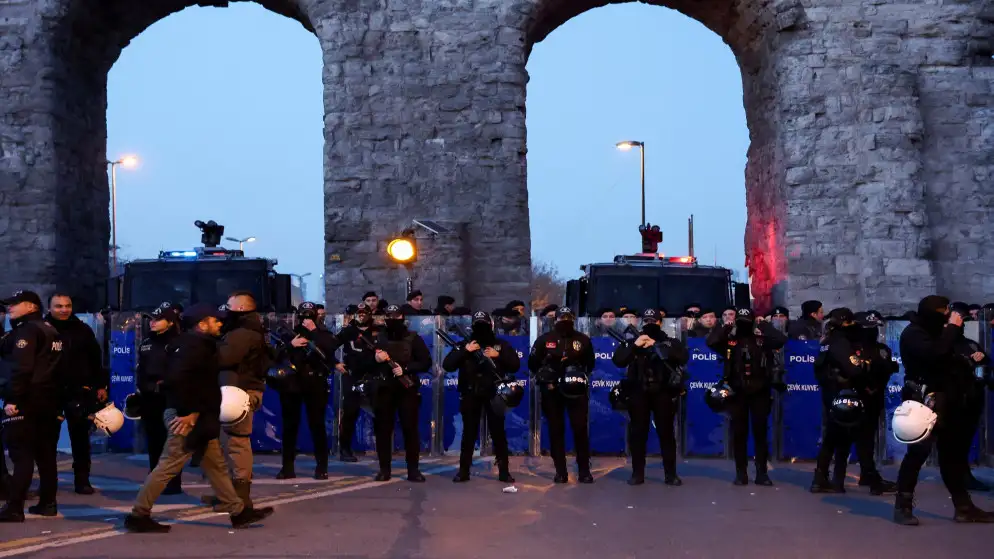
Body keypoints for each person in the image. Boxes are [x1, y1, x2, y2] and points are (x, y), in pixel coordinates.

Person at [123, 304, 274, 533]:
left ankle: (238, 511)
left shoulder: (198, 344)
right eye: (216, 320)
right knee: (167, 466)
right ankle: (138, 515)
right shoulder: (193, 346)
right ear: (203, 324)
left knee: (215, 466)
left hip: (199, 417)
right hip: (187, 418)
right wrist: (190, 413)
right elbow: (178, 381)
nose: (220, 323)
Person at [893, 296, 994, 525]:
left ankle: (963, 507)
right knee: (917, 454)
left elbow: (950, 357)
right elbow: (935, 354)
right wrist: (951, 330)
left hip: (948, 402)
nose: (948, 316)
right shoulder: (914, 333)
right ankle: (903, 506)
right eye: (944, 311)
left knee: (952, 456)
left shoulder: (940, 332)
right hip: (923, 401)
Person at [0, 291, 63, 522]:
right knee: (46, 455)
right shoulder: (50, 329)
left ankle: (14, 507)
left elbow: (22, 369)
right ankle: (48, 503)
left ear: (30, 306)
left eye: (14, 305)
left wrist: (13, 399)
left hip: (27, 400)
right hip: (49, 400)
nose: (10, 309)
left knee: (22, 454)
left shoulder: (26, 331)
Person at [707, 308, 787, 485]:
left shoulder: (761, 341)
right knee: (739, 433)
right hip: (737, 392)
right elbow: (711, 342)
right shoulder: (730, 342)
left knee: (760, 433)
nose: (744, 324)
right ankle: (740, 472)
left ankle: (761, 473)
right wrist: (726, 327)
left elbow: (781, 340)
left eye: (747, 321)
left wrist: (764, 325)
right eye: (740, 321)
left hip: (760, 391)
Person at [612, 308, 688, 485]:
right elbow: (618, 360)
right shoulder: (634, 340)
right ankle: (637, 473)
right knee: (638, 433)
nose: (649, 324)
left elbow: (683, 356)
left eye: (653, 321)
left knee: (666, 433)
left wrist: (656, 345)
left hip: (663, 391)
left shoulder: (669, 341)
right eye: (646, 321)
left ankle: (670, 473)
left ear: (660, 323)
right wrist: (635, 345)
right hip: (638, 391)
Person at [443, 311, 520, 483]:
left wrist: (497, 355)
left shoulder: (500, 344)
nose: (481, 329)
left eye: (484, 325)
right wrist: (465, 351)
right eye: (478, 325)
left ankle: (504, 471)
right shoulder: (466, 344)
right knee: (469, 433)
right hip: (470, 393)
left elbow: (515, 365)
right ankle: (464, 471)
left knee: (498, 433)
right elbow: (447, 365)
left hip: (494, 394)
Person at [213, 291, 271, 509]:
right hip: (236, 391)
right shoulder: (247, 330)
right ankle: (229, 494)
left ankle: (240, 496)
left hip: (238, 393)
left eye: (229, 305)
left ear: (239, 309)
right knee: (226, 444)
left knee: (236, 444)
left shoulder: (242, 333)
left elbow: (224, 358)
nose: (224, 309)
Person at [46, 293, 108, 495]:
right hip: (50, 391)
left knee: (80, 439)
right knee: (47, 441)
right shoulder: (41, 330)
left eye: (67, 305)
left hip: (80, 391)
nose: (64, 309)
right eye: (58, 306)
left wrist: (100, 386)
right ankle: (48, 483)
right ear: (50, 308)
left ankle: (82, 481)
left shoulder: (83, 330)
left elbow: (95, 359)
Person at [274, 302, 342, 480]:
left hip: (315, 382)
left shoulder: (323, 333)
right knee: (289, 426)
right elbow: (275, 353)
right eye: (303, 315)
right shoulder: (288, 332)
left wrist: (314, 332)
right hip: (292, 383)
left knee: (317, 425)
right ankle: (287, 467)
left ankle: (322, 467)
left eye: (309, 315)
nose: (306, 319)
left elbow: (330, 348)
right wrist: (291, 344)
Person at [528, 307, 596, 484]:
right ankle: (560, 471)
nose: (564, 320)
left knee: (580, 428)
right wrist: (546, 372)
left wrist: (578, 371)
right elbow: (532, 362)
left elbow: (590, 363)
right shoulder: (545, 339)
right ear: (555, 320)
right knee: (556, 429)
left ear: (573, 319)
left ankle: (584, 471)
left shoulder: (582, 339)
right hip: (552, 390)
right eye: (561, 317)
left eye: (568, 317)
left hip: (576, 388)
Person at [834, 311, 897, 495]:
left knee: (866, 439)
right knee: (847, 439)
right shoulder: (849, 348)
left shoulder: (882, 349)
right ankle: (843, 479)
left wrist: (873, 387)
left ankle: (867, 475)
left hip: (871, 399)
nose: (872, 332)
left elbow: (886, 371)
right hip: (851, 398)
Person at [371, 305, 432, 481]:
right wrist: (375, 359)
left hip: (407, 388)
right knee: (383, 430)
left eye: (396, 316)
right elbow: (363, 362)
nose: (392, 319)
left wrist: (405, 369)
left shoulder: (413, 338)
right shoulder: (378, 338)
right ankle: (384, 469)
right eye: (389, 316)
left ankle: (413, 470)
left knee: (410, 430)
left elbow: (425, 362)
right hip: (384, 389)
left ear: (402, 317)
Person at [810, 308, 866, 493]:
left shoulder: (826, 341)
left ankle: (820, 478)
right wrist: (863, 364)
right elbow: (854, 369)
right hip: (843, 395)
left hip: (829, 393)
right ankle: (837, 481)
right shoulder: (841, 342)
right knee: (843, 438)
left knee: (831, 437)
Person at [136, 304, 184, 495]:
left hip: (170, 398)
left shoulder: (179, 342)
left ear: (170, 322)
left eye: (158, 319)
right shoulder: (146, 342)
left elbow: (180, 371)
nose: (153, 323)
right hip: (150, 399)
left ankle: (172, 483)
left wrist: (165, 384)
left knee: (171, 442)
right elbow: (141, 369)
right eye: (151, 319)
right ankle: (155, 479)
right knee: (154, 440)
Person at [335, 303, 377, 462]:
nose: (361, 315)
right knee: (350, 414)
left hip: (373, 376)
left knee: (380, 413)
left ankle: (383, 449)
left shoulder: (378, 331)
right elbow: (329, 345)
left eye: (364, 313)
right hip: (352, 376)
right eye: (358, 313)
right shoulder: (348, 331)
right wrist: (335, 363)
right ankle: (344, 450)